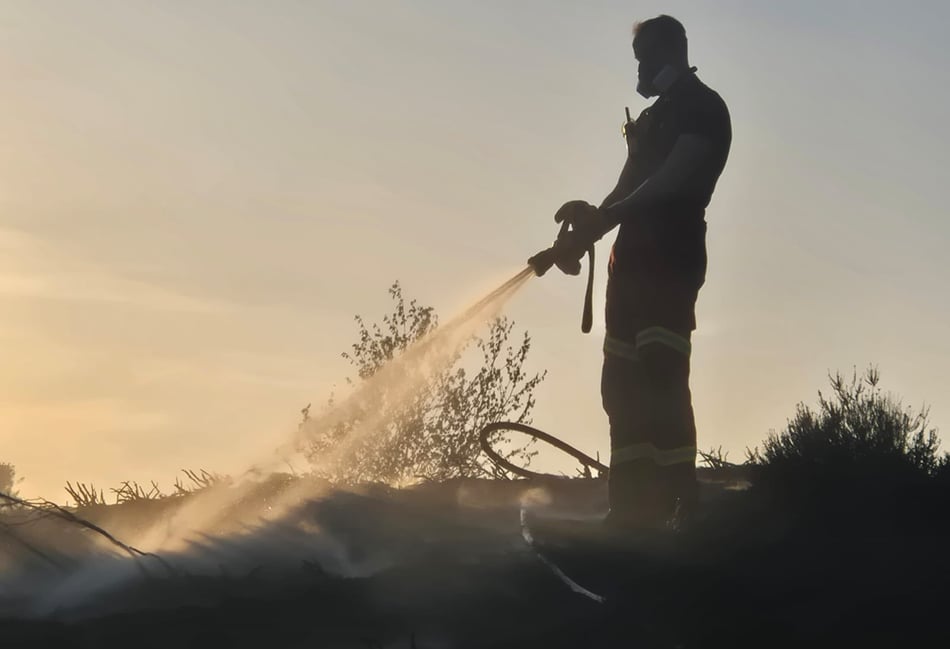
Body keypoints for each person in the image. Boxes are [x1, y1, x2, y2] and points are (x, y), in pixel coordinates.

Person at [554, 15, 732, 529]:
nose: (638, 70)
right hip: (629, 264)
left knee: (662, 375)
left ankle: (679, 504)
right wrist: (587, 227)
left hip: (669, 259)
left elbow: (670, 182)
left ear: (670, 52)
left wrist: (607, 216)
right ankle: (630, 508)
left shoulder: (704, 108)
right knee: (621, 386)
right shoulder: (653, 119)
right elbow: (627, 187)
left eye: (644, 59)